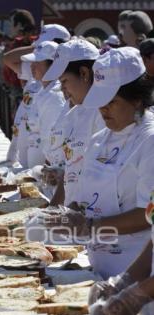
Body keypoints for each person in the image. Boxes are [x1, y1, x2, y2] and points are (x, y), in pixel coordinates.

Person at [40, 47, 154, 280]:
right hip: (98, 267)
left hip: (135, 273)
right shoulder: (100, 140)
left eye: (111, 102)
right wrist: (61, 217)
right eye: (100, 101)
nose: (102, 109)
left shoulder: (149, 140)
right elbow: (81, 201)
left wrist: (89, 226)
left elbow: (146, 214)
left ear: (137, 99)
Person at [43, 38, 104, 207]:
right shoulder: (76, 112)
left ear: (84, 74)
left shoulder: (105, 114)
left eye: (64, 81)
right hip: (75, 218)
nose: (61, 88)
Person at [20, 41, 65, 169]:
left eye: (37, 63)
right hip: (37, 169)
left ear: (52, 66)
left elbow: (52, 140)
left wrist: (48, 169)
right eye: (32, 63)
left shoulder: (54, 96)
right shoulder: (42, 92)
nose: (31, 67)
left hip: (47, 171)